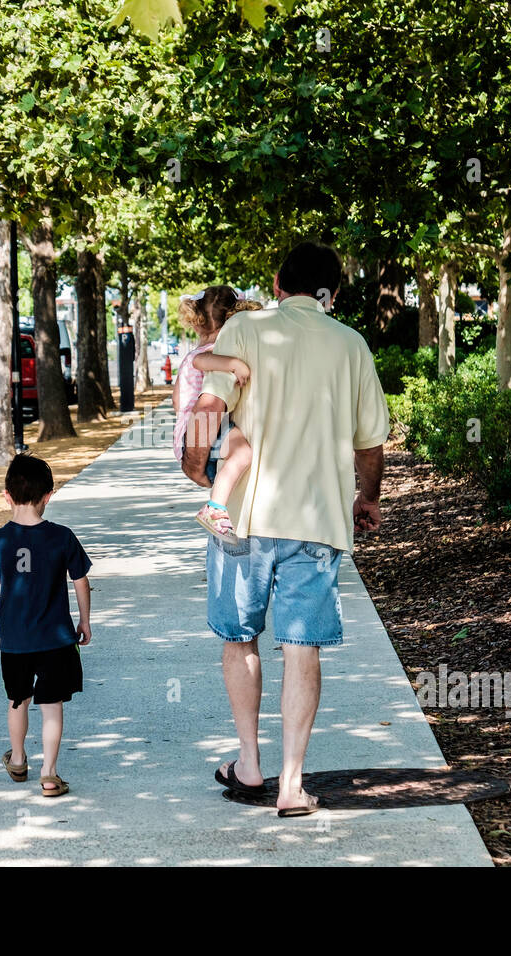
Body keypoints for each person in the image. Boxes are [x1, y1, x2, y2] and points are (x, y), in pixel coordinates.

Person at [182, 242, 390, 817]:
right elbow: (370, 443)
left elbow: (208, 407)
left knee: (239, 636)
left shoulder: (244, 332)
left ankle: (249, 764)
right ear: (334, 293)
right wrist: (365, 499)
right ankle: (293, 784)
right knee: (301, 645)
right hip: (317, 522)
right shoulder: (352, 344)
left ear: (276, 283)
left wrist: (197, 467)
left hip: (242, 520)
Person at [0, 454, 92, 798]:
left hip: (15, 642)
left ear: (6, 495)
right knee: (52, 705)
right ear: (47, 495)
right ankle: (49, 774)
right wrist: (84, 620)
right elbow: (80, 580)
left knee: (17, 699)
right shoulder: (62, 537)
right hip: (56, 640)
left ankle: (19, 758)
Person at [170, 286, 261, 540]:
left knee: (239, 456)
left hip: (187, 432)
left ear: (197, 322)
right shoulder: (207, 354)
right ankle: (215, 508)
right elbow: (204, 362)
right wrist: (233, 364)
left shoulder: (189, 356)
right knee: (243, 454)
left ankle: (219, 507)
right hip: (200, 427)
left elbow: (176, 401)